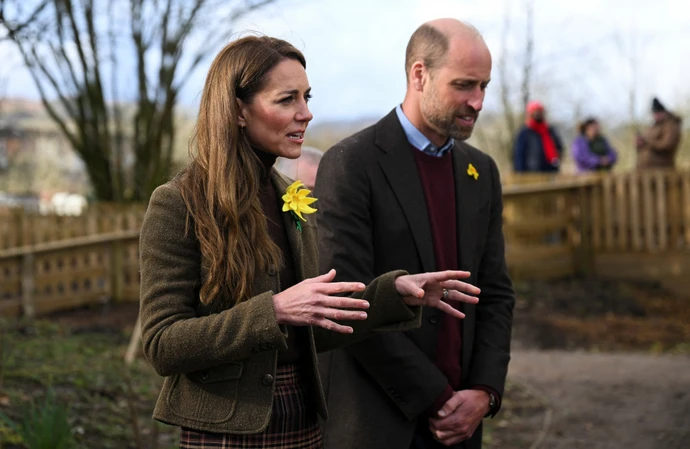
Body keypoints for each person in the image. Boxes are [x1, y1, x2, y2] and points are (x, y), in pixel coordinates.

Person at [138, 36, 480, 449]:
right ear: (238, 111)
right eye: (287, 100)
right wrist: (276, 310)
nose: (306, 113)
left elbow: (313, 325)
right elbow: (162, 345)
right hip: (226, 432)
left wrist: (393, 295)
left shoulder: (289, 196)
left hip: (302, 420)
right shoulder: (179, 203)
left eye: (307, 97)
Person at [315, 19, 515, 449]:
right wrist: (439, 398)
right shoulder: (351, 165)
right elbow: (347, 304)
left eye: (484, 86)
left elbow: (495, 293)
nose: (477, 101)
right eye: (464, 85)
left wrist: (484, 392)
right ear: (419, 74)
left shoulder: (481, 171)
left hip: (462, 427)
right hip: (378, 424)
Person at [513, 100, 564, 173]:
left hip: (551, 170)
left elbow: (559, 147)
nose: (538, 114)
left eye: (540, 111)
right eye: (535, 111)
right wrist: (520, 172)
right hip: (532, 172)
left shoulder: (550, 130)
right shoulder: (525, 132)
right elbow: (519, 154)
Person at [636, 97, 683, 169]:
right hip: (646, 170)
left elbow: (667, 144)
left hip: (662, 170)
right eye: (654, 113)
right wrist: (640, 143)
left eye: (657, 113)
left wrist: (648, 142)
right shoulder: (652, 127)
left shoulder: (671, 126)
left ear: (663, 112)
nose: (655, 116)